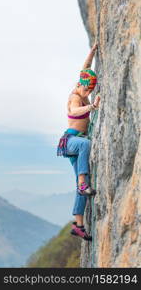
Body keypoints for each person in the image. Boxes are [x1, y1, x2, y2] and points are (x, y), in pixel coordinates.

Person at [57, 43, 100, 241]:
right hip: (71, 140)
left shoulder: (83, 90)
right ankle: (83, 185)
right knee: (85, 145)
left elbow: (85, 69)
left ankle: (79, 225)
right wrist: (90, 107)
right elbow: (73, 112)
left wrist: (91, 53)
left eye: (88, 90)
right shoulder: (75, 97)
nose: (86, 92)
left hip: (76, 141)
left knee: (80, 185)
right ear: (80, 86)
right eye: (85, 89)